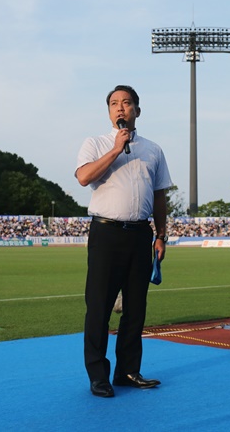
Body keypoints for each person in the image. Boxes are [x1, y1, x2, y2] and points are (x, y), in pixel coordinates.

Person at [75, 84, 173, 398]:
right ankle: (98, 376)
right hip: (106, 233)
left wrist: (161, 235)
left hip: (141, 234)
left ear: (137, 111)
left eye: (126, 102)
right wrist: (116, 149)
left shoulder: (153, 150)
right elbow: (83, 177)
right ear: (109, 112)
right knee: (99, 306)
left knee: (135, 306)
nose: (120, 107)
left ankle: (128, 371)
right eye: (114, 103)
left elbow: (159, 196)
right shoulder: (95, 143)